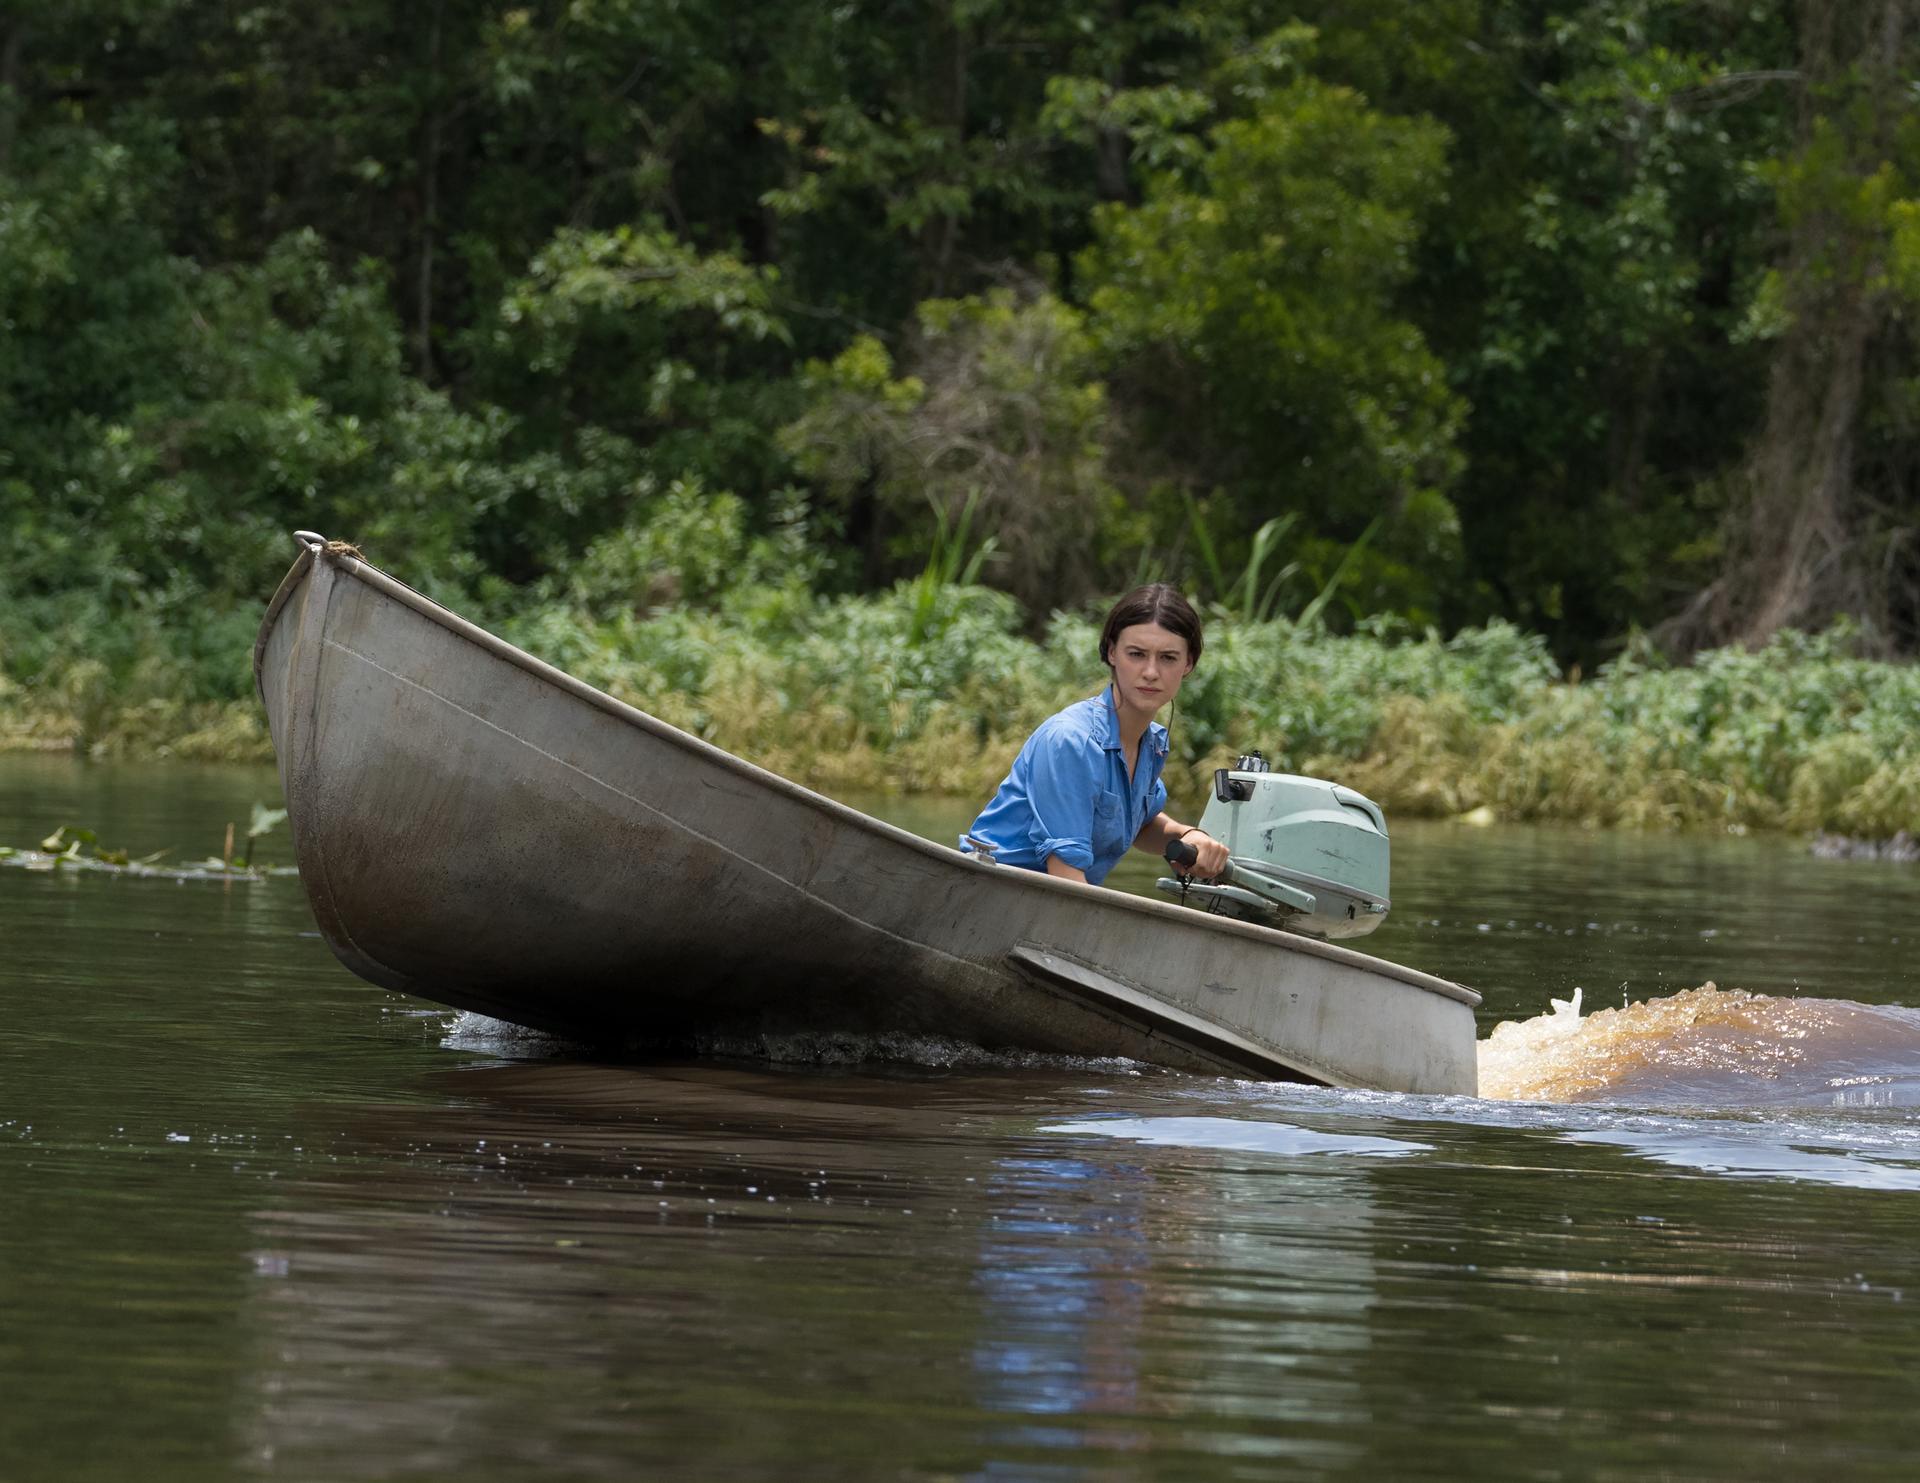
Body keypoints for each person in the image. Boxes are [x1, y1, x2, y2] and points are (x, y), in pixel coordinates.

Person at [962, 584, 1231, 886]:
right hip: (991, 891)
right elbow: (1065, 876)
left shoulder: (1152, 743)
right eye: (1137, 654)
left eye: (1168, 657)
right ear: (1112, 652)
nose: (1151, 671)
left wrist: (1185, 835)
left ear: (1189, 664)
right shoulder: (1071, 741)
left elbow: (1137, 824)